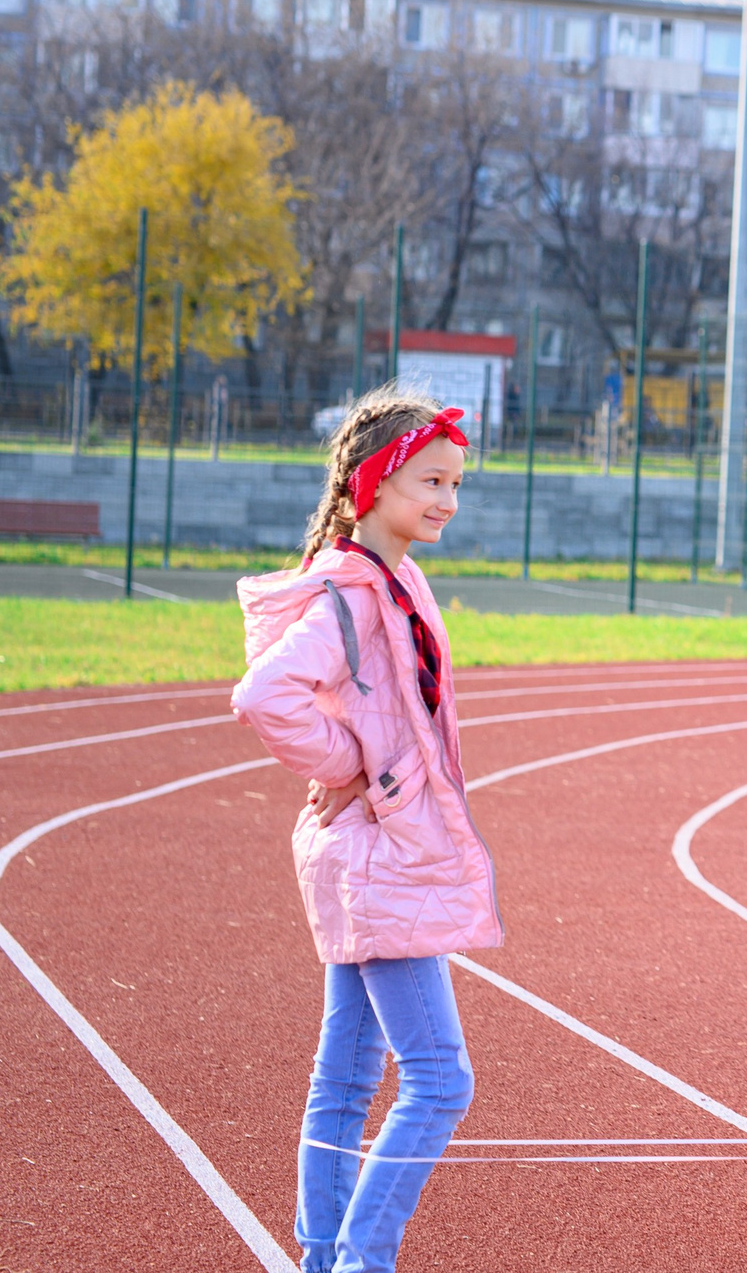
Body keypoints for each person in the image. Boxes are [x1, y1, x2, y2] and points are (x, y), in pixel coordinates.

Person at [230, 387, 502, 1273]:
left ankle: (323, 1258)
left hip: (375, 854)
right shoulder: (343, 599)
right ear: (372, 482)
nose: (448, 501)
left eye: (456, 483)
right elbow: (263, 694)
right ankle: (361, 1261)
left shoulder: (399, 579)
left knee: (346, 1081)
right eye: (430, 480)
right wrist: (350, 761)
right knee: (439, 1078)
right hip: (380, 857)